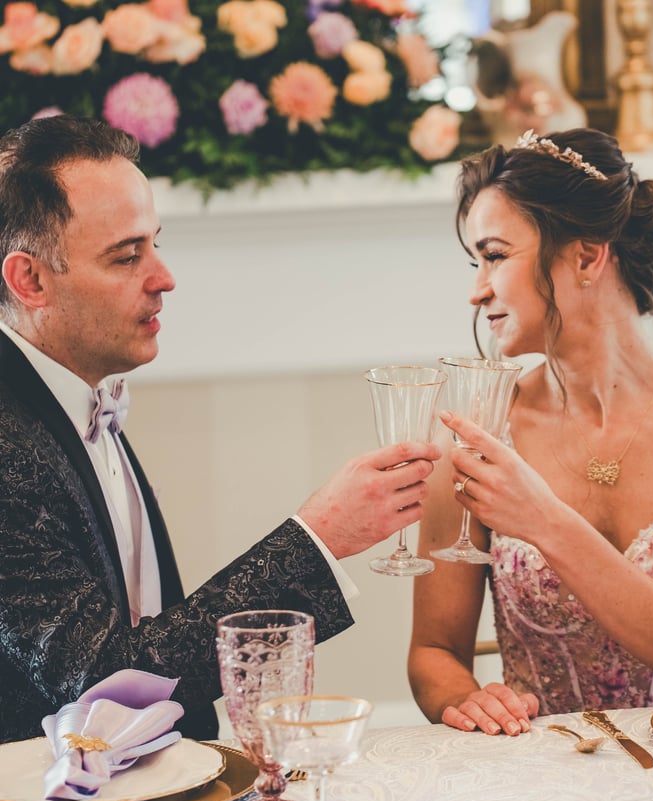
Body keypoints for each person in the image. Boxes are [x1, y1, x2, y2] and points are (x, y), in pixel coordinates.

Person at [0, 114, 441, 744]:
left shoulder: (79, 396)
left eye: (155, 242)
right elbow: (107, 677)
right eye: (128, 255)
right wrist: (319, 537)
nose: (164, 277)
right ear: (31, 280)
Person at [408, 128, 653, 737]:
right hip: (541, 775)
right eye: (476, 263)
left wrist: (545, 521)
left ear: (585, 256)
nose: (477, 291)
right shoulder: (478, 443)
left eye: (495, 256)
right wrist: (468, 700)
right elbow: (434, 653)